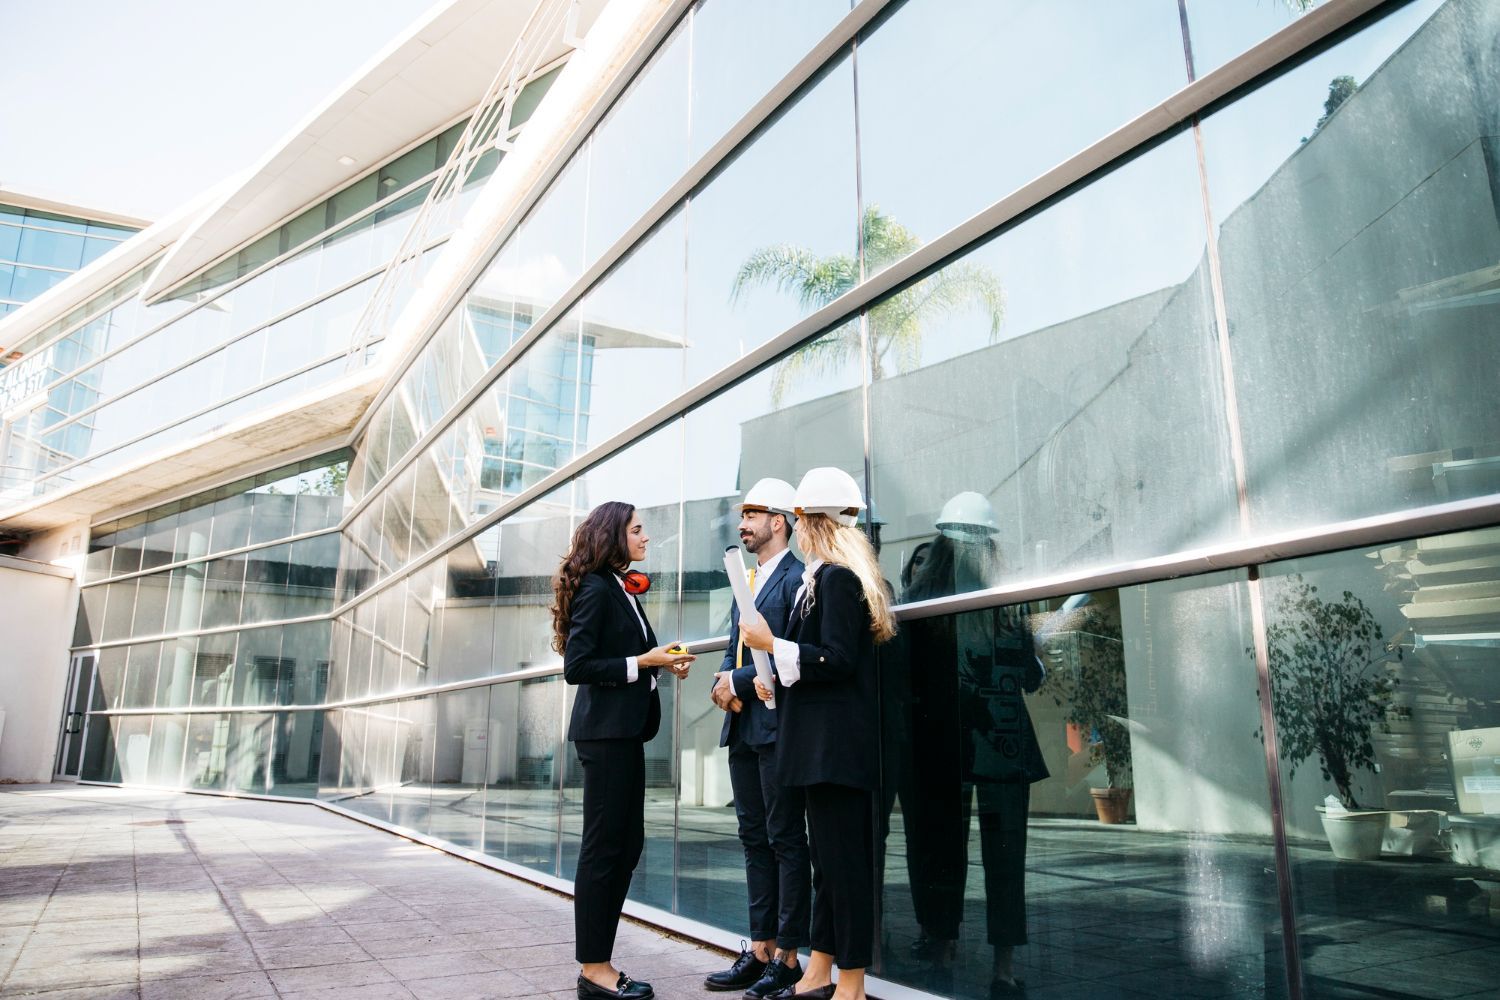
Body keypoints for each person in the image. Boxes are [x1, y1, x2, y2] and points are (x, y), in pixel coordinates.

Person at [742, 467, 897, 1000]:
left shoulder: (836, 579)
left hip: (834, 752)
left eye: (802, 518)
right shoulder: (831, 578)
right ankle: (819, 972)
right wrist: (776, 679)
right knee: (828, 868)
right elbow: (827, 663)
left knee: (842, 868)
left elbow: (835, 657)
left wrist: (772, 644)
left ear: (809, 522)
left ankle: (849, 984)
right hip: (824, 749)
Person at [901, 492, 1047, 999]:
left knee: (940, 850)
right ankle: (1003, 969)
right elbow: (1029, 674)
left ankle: (942, 951)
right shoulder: (1008, 595)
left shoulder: (921, 601)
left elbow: (907, 677)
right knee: (1006, 857)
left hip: (944, 742)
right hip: (1002, 740)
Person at [553, 501, 695, 1000]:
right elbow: (579, 665)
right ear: (614, 535)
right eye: (637, 530)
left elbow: (629, 657)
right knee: (604, 849)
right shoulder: (596, 588)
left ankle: (600, 960)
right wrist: (643, 661)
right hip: (606, 736)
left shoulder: (619, 587)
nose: (645, 537)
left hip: (624, 734)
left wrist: (660, 663)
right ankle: (595, 968)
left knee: (626, 846)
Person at [704, 478, 810, 998]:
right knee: (752, 839)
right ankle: (762, 947)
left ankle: (790, 957)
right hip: (744, 727)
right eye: (741, 515)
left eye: (752, 514)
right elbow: (734, 647)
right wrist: (723, 681)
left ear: (779, 521)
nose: (742, 524)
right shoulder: (745, 578)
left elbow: (792, 651)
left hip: (779, 728)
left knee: (785, 838)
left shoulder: (798, 578)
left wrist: (737, 681)